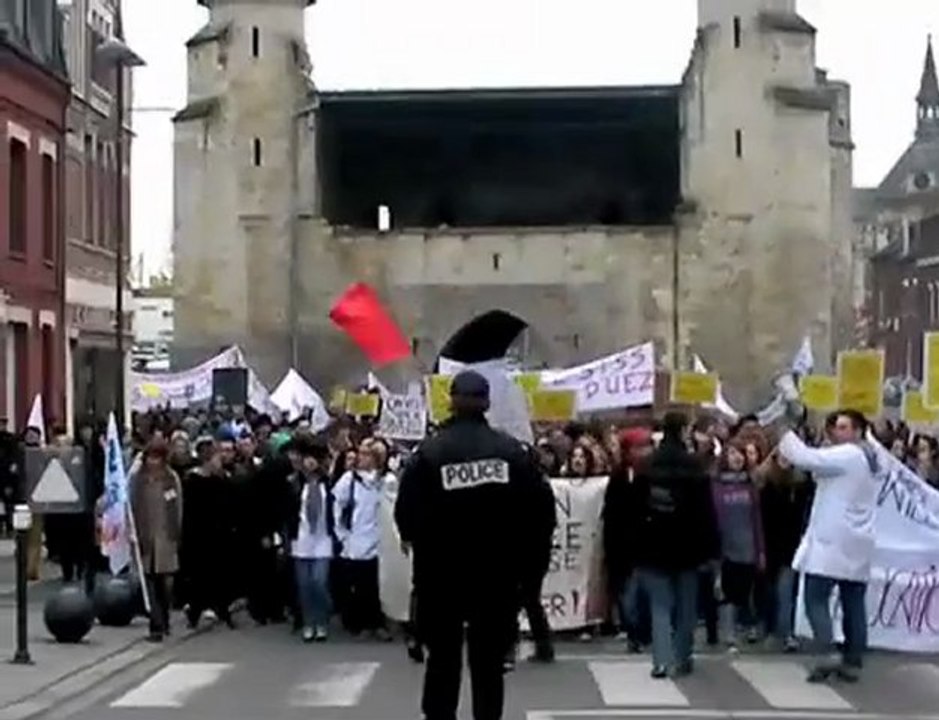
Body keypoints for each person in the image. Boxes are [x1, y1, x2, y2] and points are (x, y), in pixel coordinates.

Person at [395, 370, 546, 720]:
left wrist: (424, 545)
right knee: (490, 668)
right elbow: (538, 516)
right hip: (496, 577)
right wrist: (528, 575)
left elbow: (407, 516)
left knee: (442, 664)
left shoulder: (430, 453)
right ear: (487, 403)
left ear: (451, 400)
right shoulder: (511, 452)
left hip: (441, 577)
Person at [776, 408, 878, 683]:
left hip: (833, 540)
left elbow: (807, 458)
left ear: (858, 431)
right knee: (853, 601)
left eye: (844, 427)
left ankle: (828, 651)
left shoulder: (850, 454)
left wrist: (783, 427)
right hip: (856, 541)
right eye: (835, 427)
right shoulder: (870, 456)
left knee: (815, 598)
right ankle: (853, 661)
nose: (837, 432)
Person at [631, 411, 719, 679]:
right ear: (683, 431)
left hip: (652, 544)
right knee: (686, 606)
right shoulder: (694, 467)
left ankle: (660, 660)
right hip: (688, 546)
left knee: (660, 605)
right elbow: (706, 512)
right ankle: (683, 656)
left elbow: (635, 509)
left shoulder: (646, 465)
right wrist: (712, 549)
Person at [131, 440, 184, 642]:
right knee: (150, 583)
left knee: (166, 584)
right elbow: (133, 506)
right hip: (146, 538)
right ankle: (156, 625)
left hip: (166, 538)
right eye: (150, 457)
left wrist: (176, 533)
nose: (153, 462)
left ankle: (165, 618)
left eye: (157, 458)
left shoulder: (171, 479)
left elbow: (178, 507)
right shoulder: (139, 480)